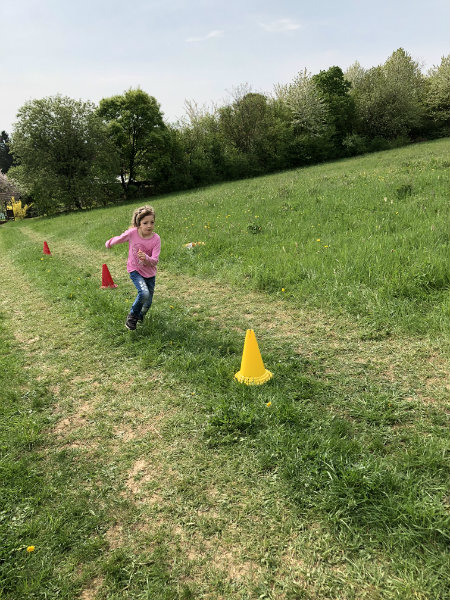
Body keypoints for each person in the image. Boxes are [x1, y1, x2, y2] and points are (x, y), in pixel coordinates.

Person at [105, 205, 161, 330]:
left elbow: (155, 261)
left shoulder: (156, 239)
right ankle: (132, 317)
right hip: (135, 270)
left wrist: (146, 258)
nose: (149, 226)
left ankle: (140, 317)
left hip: (150, 273)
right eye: (145, 223)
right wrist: (109, 243)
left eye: (152, 222)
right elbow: (120, 238)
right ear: (139, 223)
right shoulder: (132, 233)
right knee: (144, 293)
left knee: (147, 303)